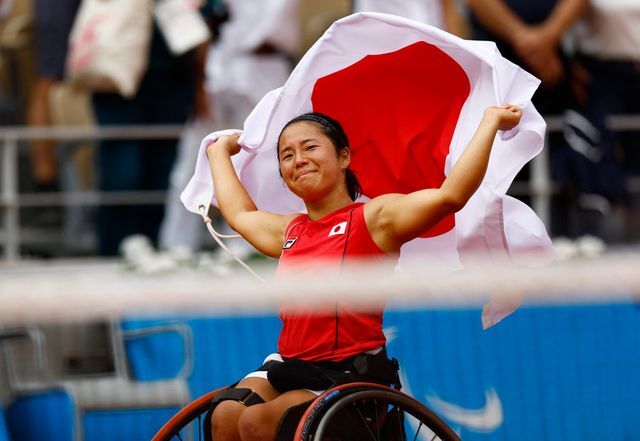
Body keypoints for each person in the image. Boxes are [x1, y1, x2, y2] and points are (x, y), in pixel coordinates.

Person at [205, 104, 522, 441]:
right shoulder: (289, 231)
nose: (298, 159)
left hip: (347, 372)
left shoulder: (377, 218)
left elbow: (450, 196)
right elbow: (238, 214)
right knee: (225, 416)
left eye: (310, 147)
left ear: (344, 157)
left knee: (255, 424)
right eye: (287, 155)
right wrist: (218, 152)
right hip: (288, 363)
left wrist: (491, 121)